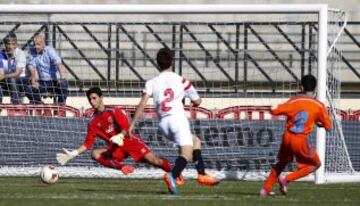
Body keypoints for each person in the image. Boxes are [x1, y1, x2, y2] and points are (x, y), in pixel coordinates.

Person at [129, 48, 219, 195]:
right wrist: (193, 103)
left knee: (195, 141)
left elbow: (142, 103)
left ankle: (202, 174)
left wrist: (132, 124)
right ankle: (173, 175)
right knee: (187, 153)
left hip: (164, 124)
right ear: (173, 62)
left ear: (157, 64)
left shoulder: (152, 82)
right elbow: (198, 101)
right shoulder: (182, 80)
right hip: (178, 119)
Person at [56, 87, 173, 176]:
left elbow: (126, 127)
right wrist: (73, 154)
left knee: (154, 161)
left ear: (101, 98)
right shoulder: (92, 122)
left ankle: (175, 173)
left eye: (94, 98)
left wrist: (121, 135)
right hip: (116, 148)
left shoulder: (113, 111)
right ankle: (122, 167)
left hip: (130, 141)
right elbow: (88, 143)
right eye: (90, 99)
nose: (92, 102)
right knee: (95, 153)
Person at [260, 74, 332, 196]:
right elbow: (329, 127)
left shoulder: (294, 100)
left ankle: (265, 189)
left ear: (301, 87)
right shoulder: (319, 105)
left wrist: (274, 108)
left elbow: (274, 110)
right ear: (315, 89)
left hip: (287, 137)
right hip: (300, 140)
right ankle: (286, 179)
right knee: (316, 164)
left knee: (281, 163)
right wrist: (318, 123)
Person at [28, 33, 68, 115]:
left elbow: (58, 63)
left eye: (38, 44)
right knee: (29, 88)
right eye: (35, 44)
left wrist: (62, 78)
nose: (36, 46)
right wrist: (34, 81)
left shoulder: (50, 50)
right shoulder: (31, 51)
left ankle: (60, 107)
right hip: (41, 82)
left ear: (43, 43)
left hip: (54, 81)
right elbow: (32, 67)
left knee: (64, 84)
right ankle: (40, 106)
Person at [0, 32, 37, 104]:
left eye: (13, 44)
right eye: (8, 44)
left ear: (16, 45)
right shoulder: (1, 55)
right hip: (7, 81)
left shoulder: (20, 54)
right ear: (5, 45)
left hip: (22, 81)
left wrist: (3, 76)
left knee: (13, 79)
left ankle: (15, 106)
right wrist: (2, 76)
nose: (10, 46)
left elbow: (17, 73)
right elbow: (1, 73)